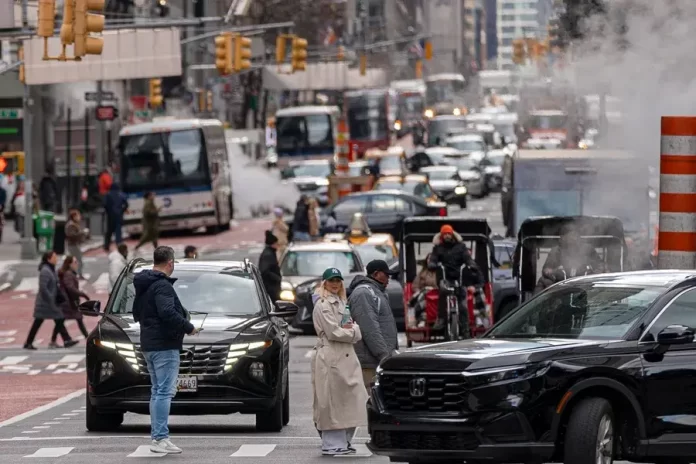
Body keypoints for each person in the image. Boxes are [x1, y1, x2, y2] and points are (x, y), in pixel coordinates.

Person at [132, 246, 199, 455]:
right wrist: (189, 328)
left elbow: (136, 313)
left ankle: (158, 435)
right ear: (170, 263)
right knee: (164, 391)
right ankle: (160, 438)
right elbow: (167, 311)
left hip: (149, 343)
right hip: (164, 345)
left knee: (157, 390)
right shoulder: (162, 286)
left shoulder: (144, 284)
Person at [311, 267, 367, 456]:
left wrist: (352, 332)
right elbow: (333, 331)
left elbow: (348, 326)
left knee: (351, 399)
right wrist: (354, 333)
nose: (335, 284)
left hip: (345, 356)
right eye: (331, 280)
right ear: (324, 282)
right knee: (332, 401)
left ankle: (344, 440)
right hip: (331, 356)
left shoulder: (342, 302)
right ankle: (333, 443)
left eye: (338, 280)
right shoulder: (323, 304)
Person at [347, 259, 399, 390]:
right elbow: (369, 329)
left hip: (376, 361)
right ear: (376, 274)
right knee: (369, 403)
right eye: (386, 275)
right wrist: (384, 356)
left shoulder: (376, 292)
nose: (389, 279)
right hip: (369, 363)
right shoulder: (364, 293)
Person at [428, 224, 483, 330]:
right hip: (445, 277)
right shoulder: (438, 248)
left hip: (459, 278)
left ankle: (465, 327)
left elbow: (467, 258)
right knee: (443, 295)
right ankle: (441, 320)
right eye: (445, 234)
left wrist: (471, 264)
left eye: (449, 233)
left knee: (462, 303)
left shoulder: (461, 247)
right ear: (442, 236)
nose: (447, 236)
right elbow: (433, 259)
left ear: (452, 234)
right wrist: (432, 264)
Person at [23, 251, 79, 350]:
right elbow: (43, 288)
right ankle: (65, 340)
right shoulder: (45, 271)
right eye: (54, 257)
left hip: (49, 302)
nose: (56, 259)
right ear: (48, 259)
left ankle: (66, 340)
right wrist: (51, 299)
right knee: (57, 319)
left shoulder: (51, 269)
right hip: (46, 303)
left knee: (55, 319)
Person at [536, 226, 603, 292]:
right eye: (570, 235)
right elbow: (547, 269)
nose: (573, 237)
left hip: (585, 283)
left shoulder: (588, 249)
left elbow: (600, 266)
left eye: (575, 234)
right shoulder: (556, 251)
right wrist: (553, 273)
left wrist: (593, 274)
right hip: (560, 284)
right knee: (544, 282)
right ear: (563, 237)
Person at [54, 256, 90, 343]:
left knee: (75, 319)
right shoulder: (68, 274)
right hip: (68, 301)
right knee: (64, 320)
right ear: (69, 264)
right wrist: (82, 294)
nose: (76, 264)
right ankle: (88, 338)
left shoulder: (69, 273)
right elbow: (70, 288)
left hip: (70, 300)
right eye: (75, 262)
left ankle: (87, 338)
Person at [103, 183, 128, 251]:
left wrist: (108, 211)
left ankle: (106, 246)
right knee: (118, 232)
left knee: (109, 232)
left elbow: (105, 205)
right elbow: (126, 204)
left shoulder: (108, 195)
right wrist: (122, 210)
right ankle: (119, 246)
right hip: (119, 215)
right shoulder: (122, 194)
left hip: (110, 216)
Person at [65, 209, 88, 279]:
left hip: (74, 245)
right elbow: (71, 235)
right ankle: (78, 274)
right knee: (78, 260)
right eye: (78, 215)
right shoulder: (71, 225)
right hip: (73, 245)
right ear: (74, 216)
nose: (79, 217)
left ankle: (75, 274)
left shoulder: (73, 224)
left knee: (74, 260)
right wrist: (83, 232)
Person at [258, 231, 282, 302]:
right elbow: (264, 271)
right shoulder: (268, 255)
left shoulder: (270, 253)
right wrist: (277, 278)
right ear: (273, 244)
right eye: (276, 244)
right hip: (271, 287)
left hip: (272, 286)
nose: (278, 245)